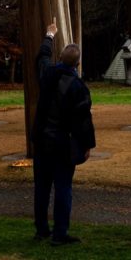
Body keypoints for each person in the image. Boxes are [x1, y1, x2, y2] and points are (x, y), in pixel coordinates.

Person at [32, 20, 96, 246]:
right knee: (63, 188)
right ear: (78, 64)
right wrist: (88, 145)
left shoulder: (47, 75)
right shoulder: (78, 87)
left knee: (41, 188)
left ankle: (41, 229)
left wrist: (49, 35)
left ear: (60, 58)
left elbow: (42, 58)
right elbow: (84, 121)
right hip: (62, 144)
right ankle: (60, 234)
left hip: (42, 140)